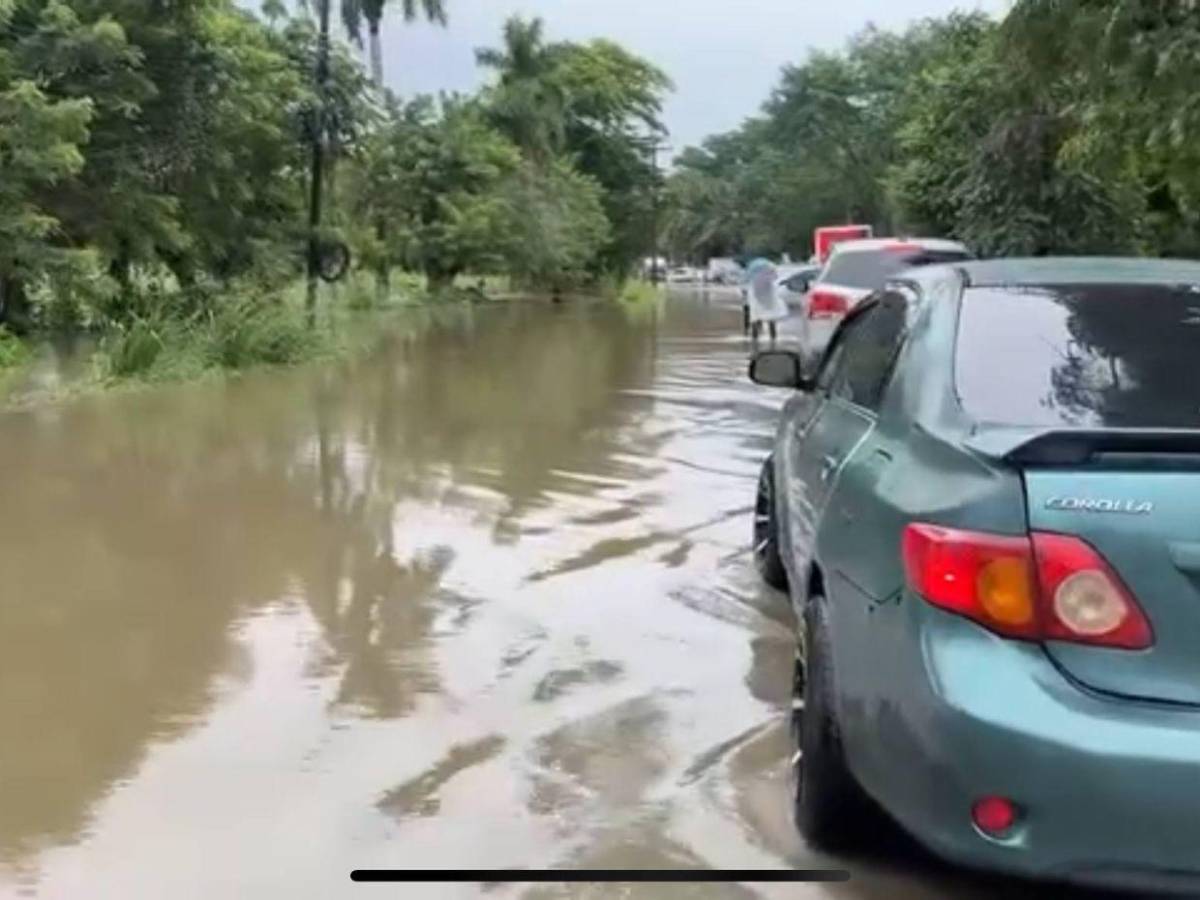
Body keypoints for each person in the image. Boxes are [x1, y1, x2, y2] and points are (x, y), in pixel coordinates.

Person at [743, 258, 788, 343]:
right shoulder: (769, 279)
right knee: (771, 320)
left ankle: (755, 338)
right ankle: (773, 338)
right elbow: (774, 285)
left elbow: (750, 291)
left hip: (758, 302)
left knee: (756, 320)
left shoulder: (753, 279)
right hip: (768, 302)